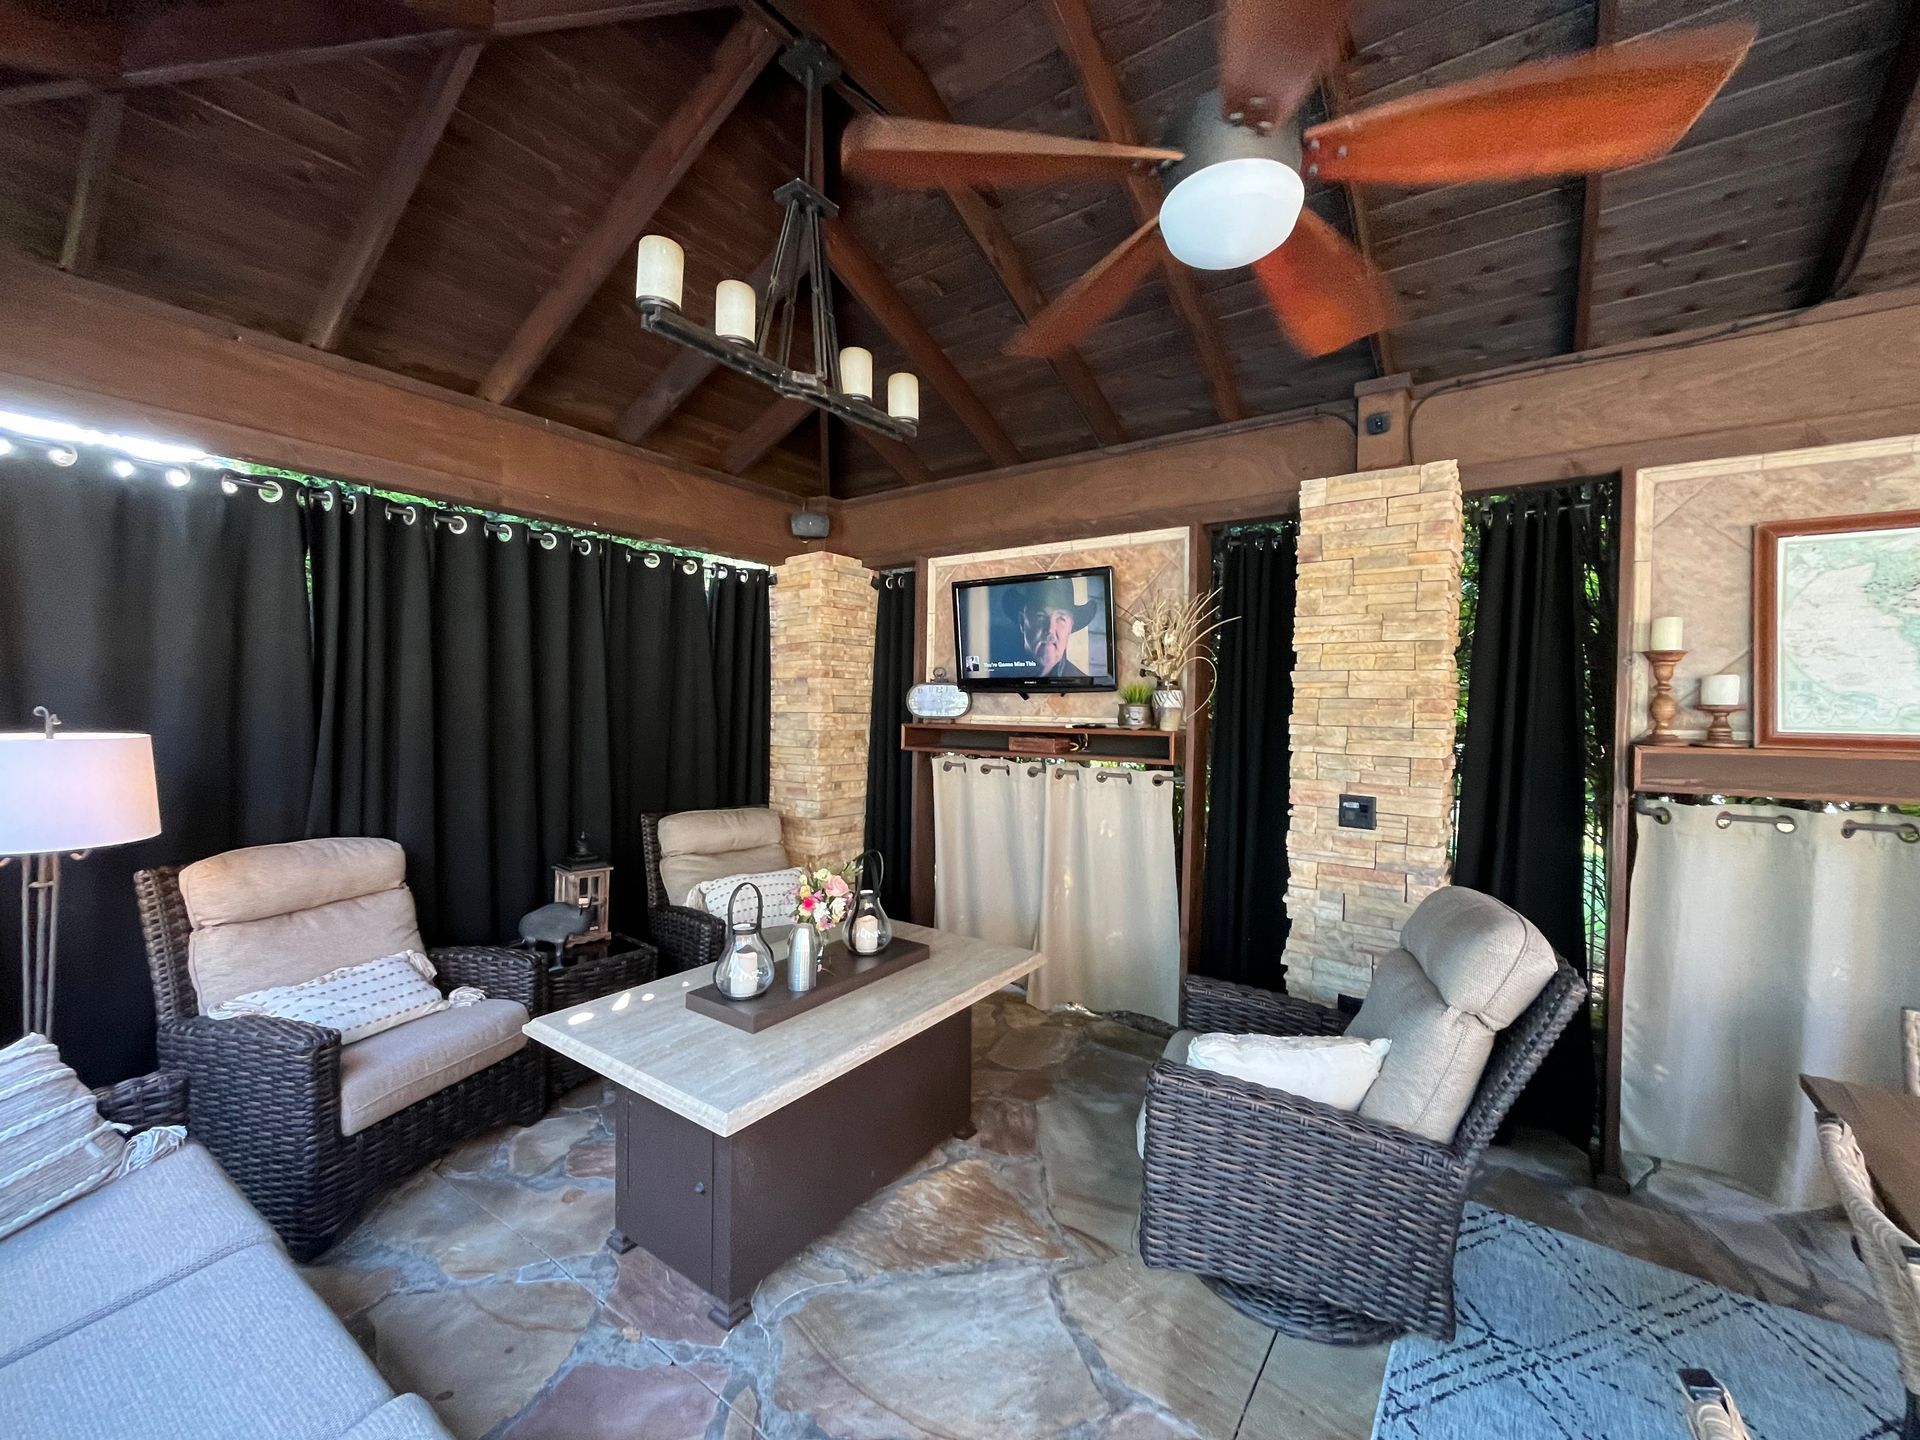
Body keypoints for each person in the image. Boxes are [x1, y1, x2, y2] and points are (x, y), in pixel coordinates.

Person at [995, 575, 1101, 678]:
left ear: (1070, 627)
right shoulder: (998, 676)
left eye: (1061, 619)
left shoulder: (1079, 681)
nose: (1050, 629)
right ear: (1022, 622)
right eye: (1040, 616)